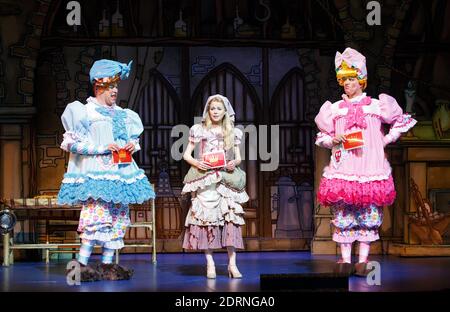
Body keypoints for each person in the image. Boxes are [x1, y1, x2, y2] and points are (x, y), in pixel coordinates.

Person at [314, 48, 417, 276]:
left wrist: (384, 140)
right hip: (344, 168)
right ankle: (345, 260)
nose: (347, 84)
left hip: (370, 168)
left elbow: (399, 121)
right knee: (344, 215)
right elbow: (321, 136)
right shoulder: (335, 109)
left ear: (361, 80)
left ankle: (362, 261)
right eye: (344, 80)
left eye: (351, 79)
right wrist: (333, 139)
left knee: (368, 216)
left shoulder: (375, 105)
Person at [57, 59, 155, 281]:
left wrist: (132, 145)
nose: (115, 91)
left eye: (116, 86)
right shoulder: (84, 112)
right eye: (110, 86)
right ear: (98, 86)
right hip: (97, 175)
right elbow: (72, 145)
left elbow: (130, 140)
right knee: (95, 218)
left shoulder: (123, 114)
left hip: (120, 175)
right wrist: (101, 148)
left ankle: (108, 265)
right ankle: (80, 266)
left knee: (117, 218)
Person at [182, 94, 248, 279]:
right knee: (206, 220)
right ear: (208, 111)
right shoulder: (199, 129)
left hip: (225, 177)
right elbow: (186, 154)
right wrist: (196, 163)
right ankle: (210, 264)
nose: (215, 111)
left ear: (224, 111)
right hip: (206, 176)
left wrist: (233, 162)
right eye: (212, 108)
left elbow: (238, 157)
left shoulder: (231, 131)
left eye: (219, 108)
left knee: (230, 219)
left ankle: (232, 264)